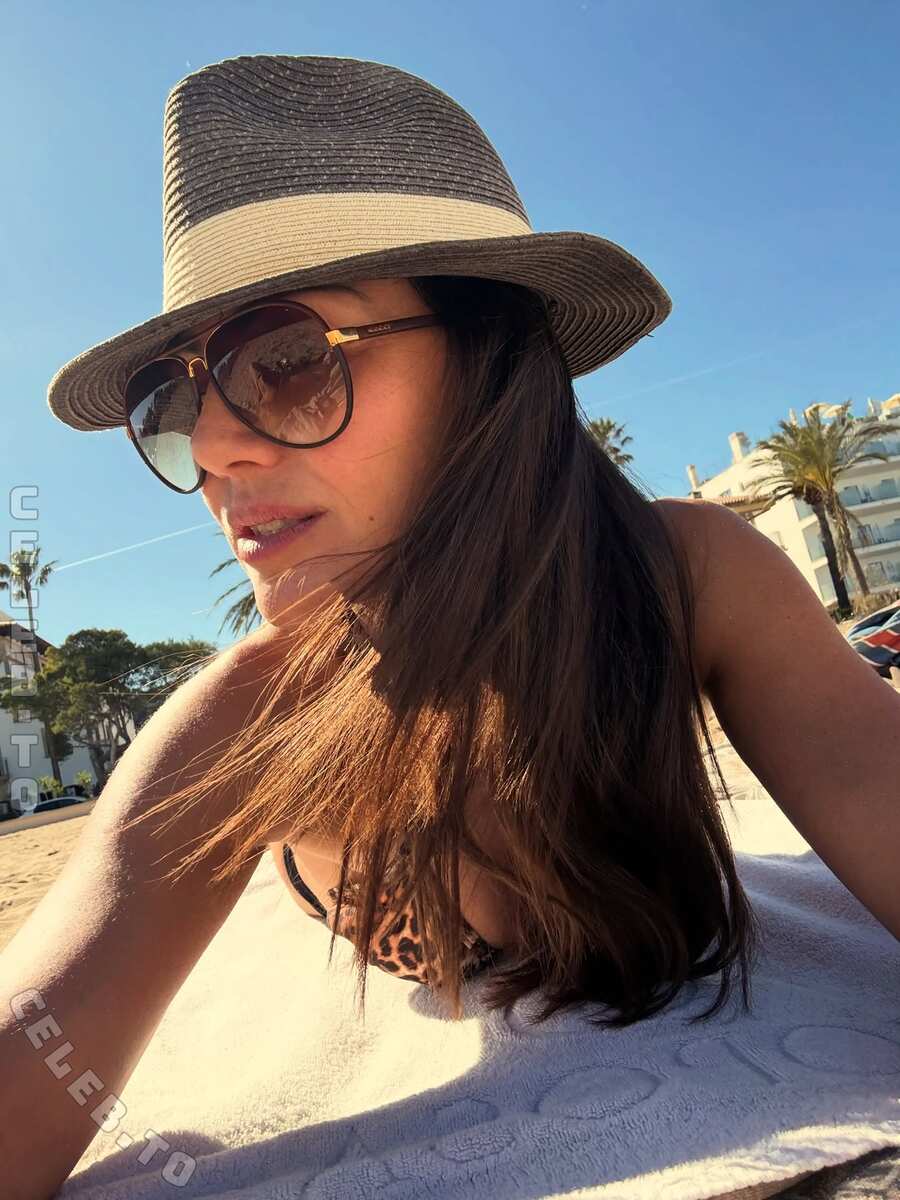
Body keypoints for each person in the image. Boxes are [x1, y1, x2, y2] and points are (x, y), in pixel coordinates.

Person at [4, 53, 899, 1200]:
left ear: (490, 354)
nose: (216, 447)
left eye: (283, 363)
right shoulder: (249, 718)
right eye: (172, 403)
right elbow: (35, 1054)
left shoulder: (684, 573)